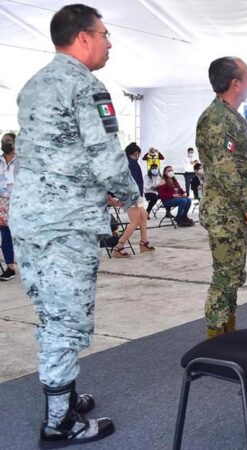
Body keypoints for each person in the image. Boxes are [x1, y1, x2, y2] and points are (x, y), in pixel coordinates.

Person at [10, 4, 138, 444]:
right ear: (83, 37)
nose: (108, 42)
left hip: (29, 220)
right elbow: (105, 155)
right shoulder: (85, 85)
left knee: (51, 312)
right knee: (66, 320)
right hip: (64, 224)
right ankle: (60, 423)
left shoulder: (33, 85)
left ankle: (64, 396)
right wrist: (134, 198)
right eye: (103, 34)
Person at [196, 56, 247, 338]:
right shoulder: (217, 120)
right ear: (235, 83)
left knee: (232, 276)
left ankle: (227, 334)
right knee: (224, 277)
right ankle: (214, 340)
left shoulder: (228, 116)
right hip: (226, 212)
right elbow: (227, 170)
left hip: (232, 211)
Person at [110, 143, 155, 257]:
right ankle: (119, 247)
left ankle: (144, 242)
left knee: (143, 216)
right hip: (132, 195)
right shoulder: (128, 164)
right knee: (135, 221)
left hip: (136, 195)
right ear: (136, 153)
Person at [0, 132, 17, 280]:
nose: (5, 143)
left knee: (23, 234)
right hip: (2, 201)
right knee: (5, 234)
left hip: (20, 200)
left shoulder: (22, 160)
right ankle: (10, 267)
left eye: (8, 141)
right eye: (3, 141)